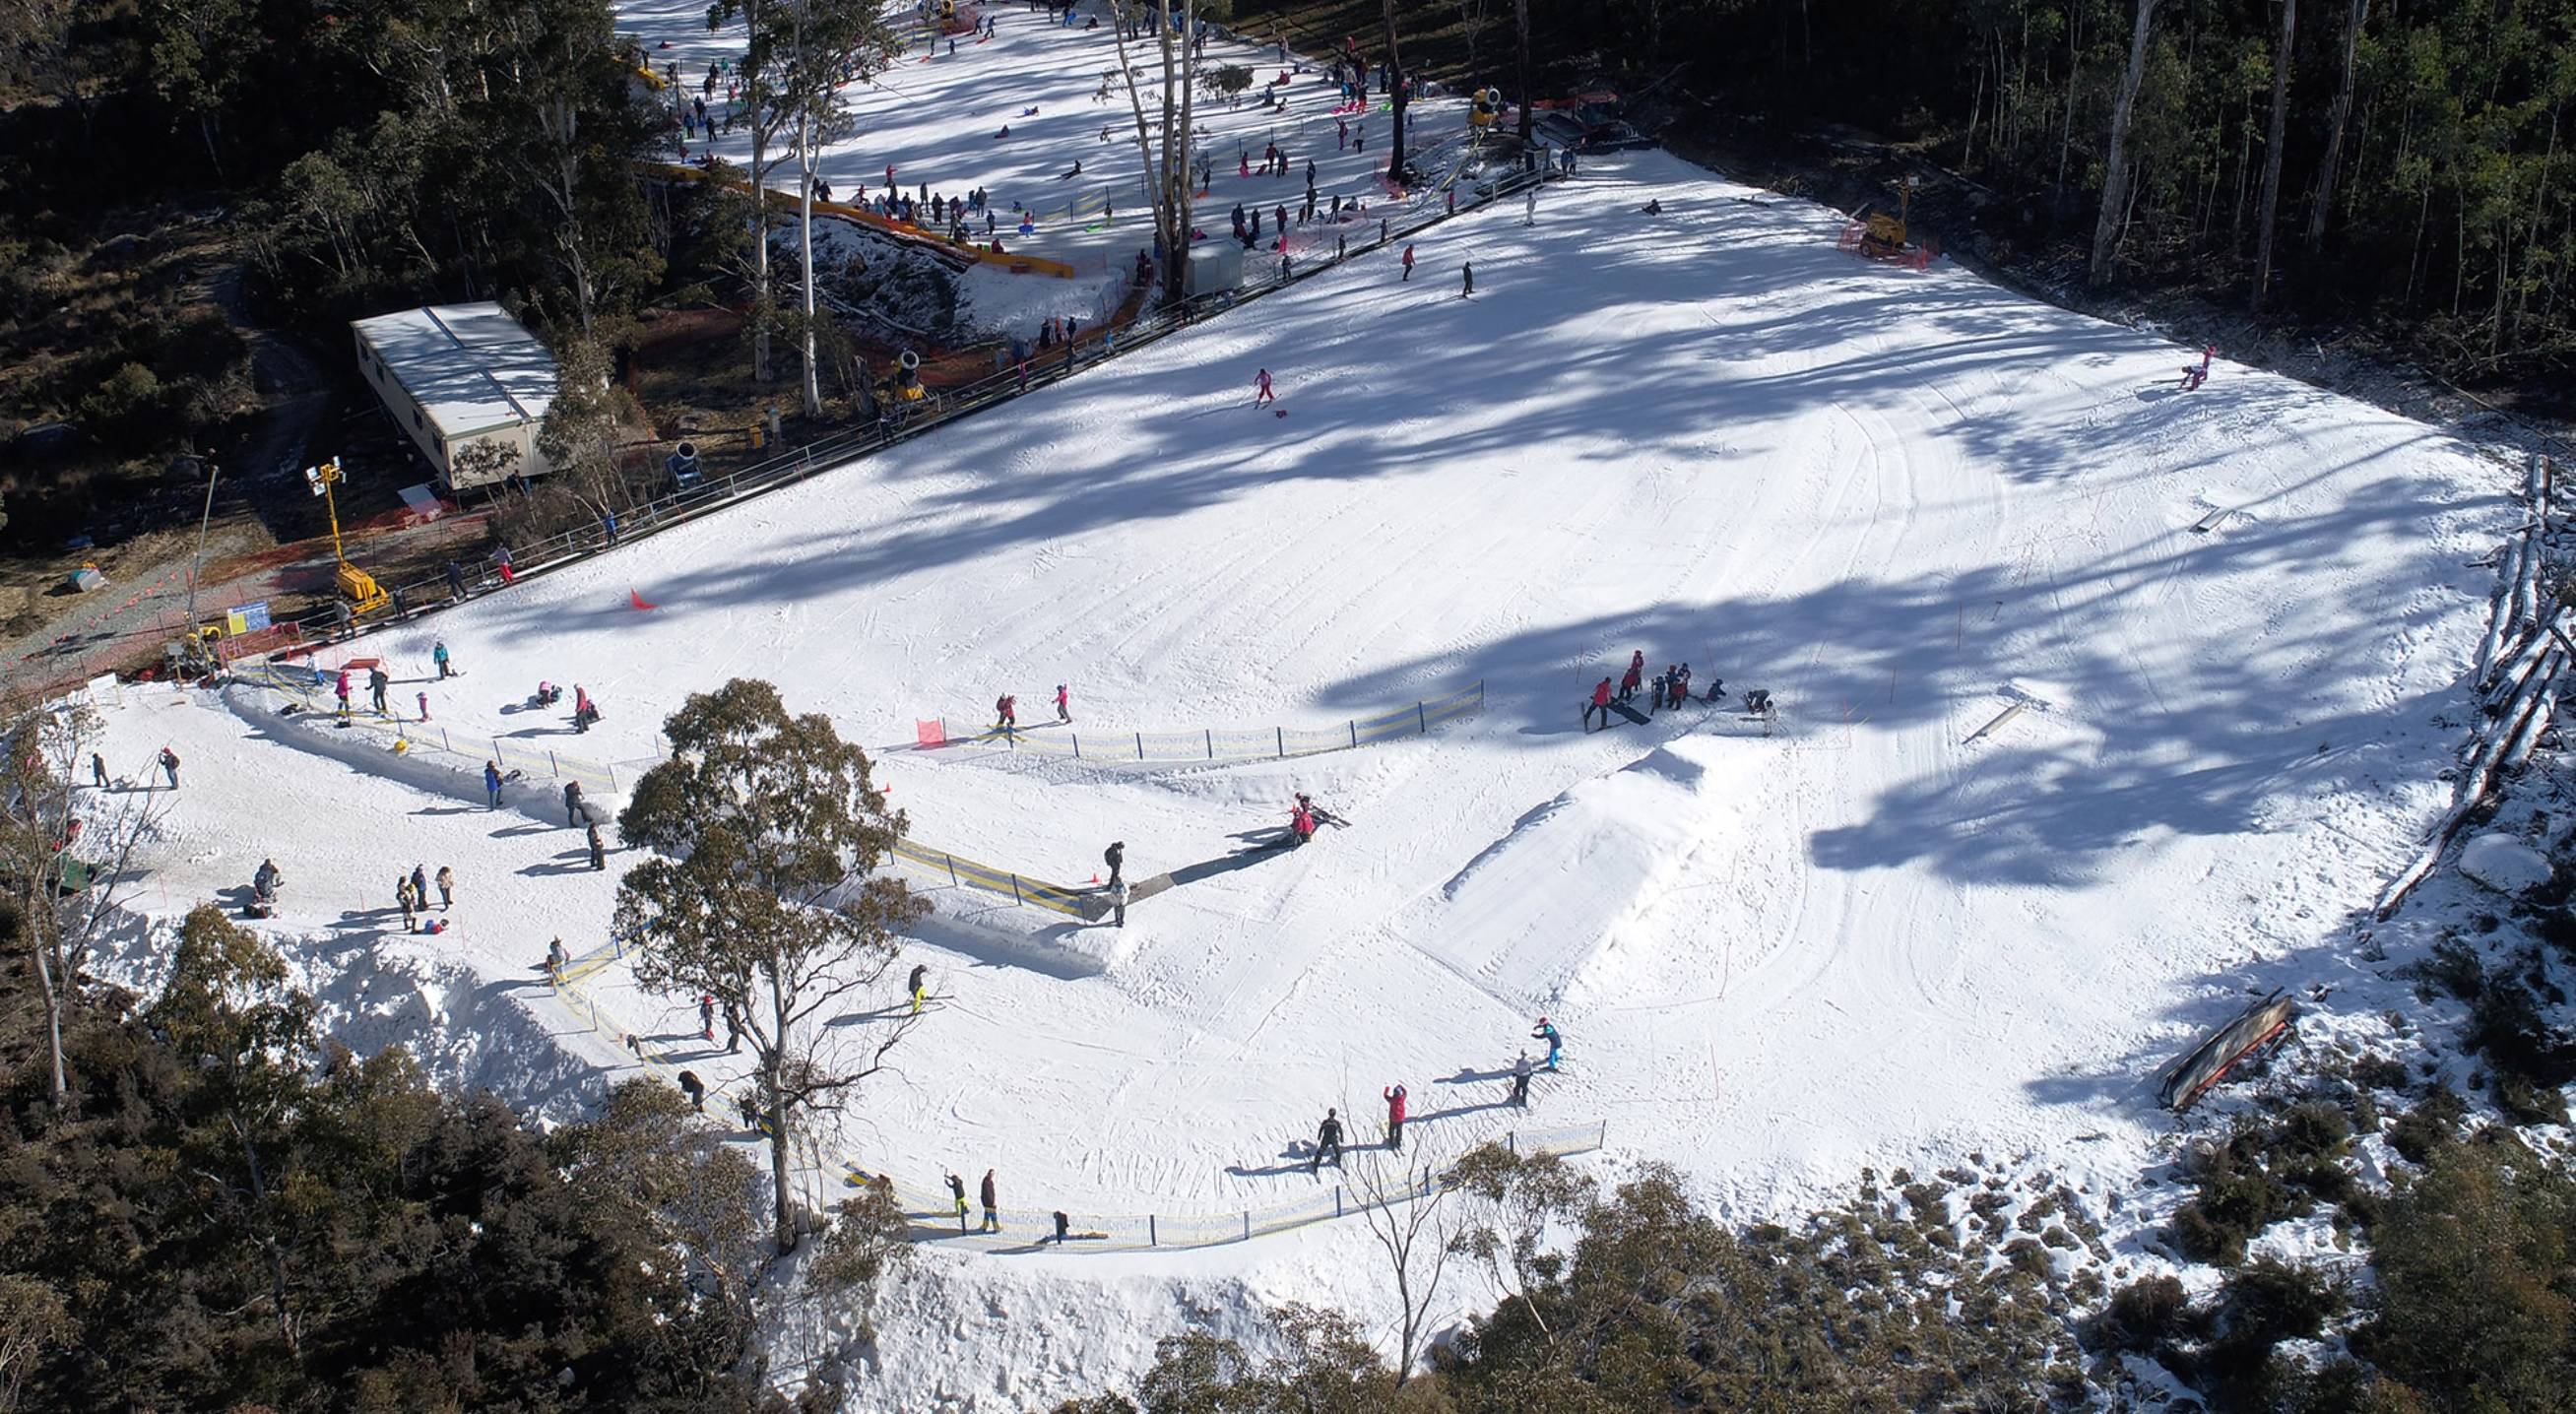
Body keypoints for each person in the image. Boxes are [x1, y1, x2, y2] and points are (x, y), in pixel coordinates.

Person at [1383, 1083, 1407, 1151]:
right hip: (1401, 1118)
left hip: (1393, 1118)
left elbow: (1385, 1096)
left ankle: (1391, 1141)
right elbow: (1405, 1092)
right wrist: (1401, 1086)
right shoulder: (1402, 1098)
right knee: (1399, 1130)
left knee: (1392, 1129)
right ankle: (1398, 1141)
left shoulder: (1392, 1100)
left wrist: (1387, 1089)